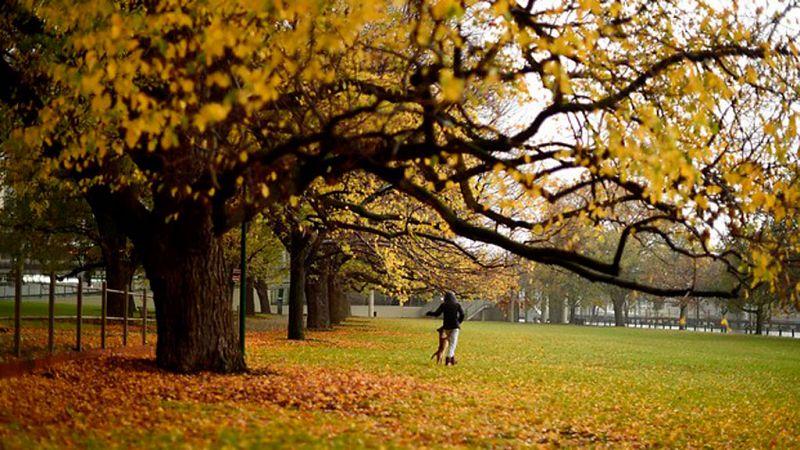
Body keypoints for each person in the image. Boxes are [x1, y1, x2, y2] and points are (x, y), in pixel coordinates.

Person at [426, 291, 465, 366]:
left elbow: (437, 314)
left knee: (450, 343)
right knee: (452, 344)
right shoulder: (457, 305)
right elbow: (462, 314)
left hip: (446, 327)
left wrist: (430, 313)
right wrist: (458, 322)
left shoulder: (443, 305)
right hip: (455, 327)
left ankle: (452, 360)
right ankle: (448, 359)